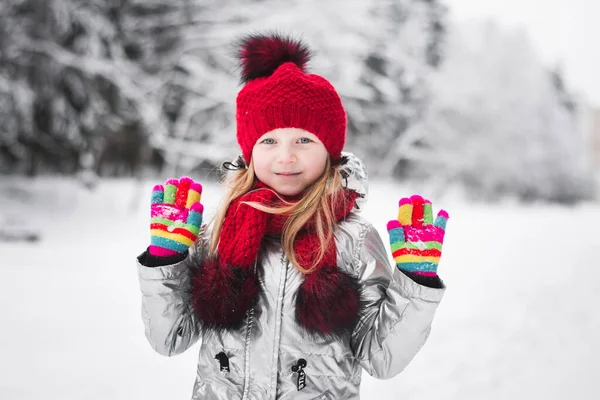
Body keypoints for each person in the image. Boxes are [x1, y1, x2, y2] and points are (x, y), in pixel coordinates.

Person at [136, 32, 449, 400]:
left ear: (330, 152)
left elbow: (381, 357)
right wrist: (165, 261)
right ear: (249, 153)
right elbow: (169, 337)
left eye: (303, 140)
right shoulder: (218, 234)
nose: (286, 157)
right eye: (269, 141)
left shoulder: (354, 241)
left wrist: (415, 285)